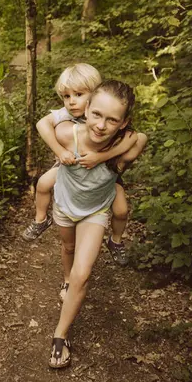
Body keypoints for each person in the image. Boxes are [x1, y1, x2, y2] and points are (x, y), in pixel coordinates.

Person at [47, 80, 147, 369]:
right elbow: (45, 126)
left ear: (124, 122)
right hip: (66, 205)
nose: (101, 125)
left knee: (84, 272)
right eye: (97, 114)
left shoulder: (124, 145)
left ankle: (60, 335)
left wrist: (104, 156)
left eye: (112, 119)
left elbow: (142, 138)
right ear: (87, 108)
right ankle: (66, 280)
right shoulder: (67, 133)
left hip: (95, 211)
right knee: (67, 246)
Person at [21, 64, 139, 267]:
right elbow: (42, 124)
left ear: (95, 96)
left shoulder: (104, 116)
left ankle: (116, 241)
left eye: (78, 94)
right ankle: (41, 219)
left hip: (103, 174)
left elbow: (136, 137)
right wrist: (59, 151)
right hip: (69, 168)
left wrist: (104, 157)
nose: (71, 101)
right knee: (42, 184)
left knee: (121, 210)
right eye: (66, 96)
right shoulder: (64, 115)